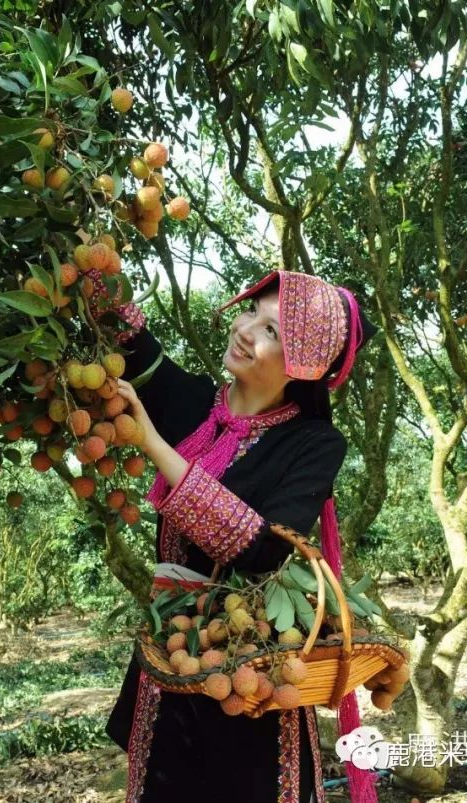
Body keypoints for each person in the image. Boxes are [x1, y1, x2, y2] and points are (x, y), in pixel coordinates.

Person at [86, 268, 381, 803]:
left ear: (303, 368)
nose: (247, 330)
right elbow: (128, 337)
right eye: (252, 313)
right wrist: (87, 255)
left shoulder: (313, 443)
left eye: (273, 332)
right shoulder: (197, 406)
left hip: (251, 670)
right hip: (171, 659)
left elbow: (263, 549)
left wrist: (152, 442)